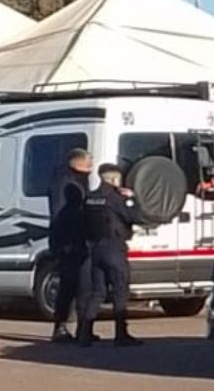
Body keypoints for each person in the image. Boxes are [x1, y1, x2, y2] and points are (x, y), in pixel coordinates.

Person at [80, 163, 146, 347]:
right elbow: (135, 217)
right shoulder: (116, 198)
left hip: (95, 249)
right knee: (120, 291)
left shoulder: (90, 198)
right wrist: (133, 199)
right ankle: (121, 334)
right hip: (114, 248)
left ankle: (84, 333)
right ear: (114, 179)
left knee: (98, 292)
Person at [47, 148, 94, 343]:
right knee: (68, 286)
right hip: (68, 242)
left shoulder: (75, 181)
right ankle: (61, 327)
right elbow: (60, 214)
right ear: (77, 163)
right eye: (88, 164)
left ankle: (82, 328)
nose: (91, 169)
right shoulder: (64, 182)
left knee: (81, 286)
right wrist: (66, 242)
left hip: (78, 241)